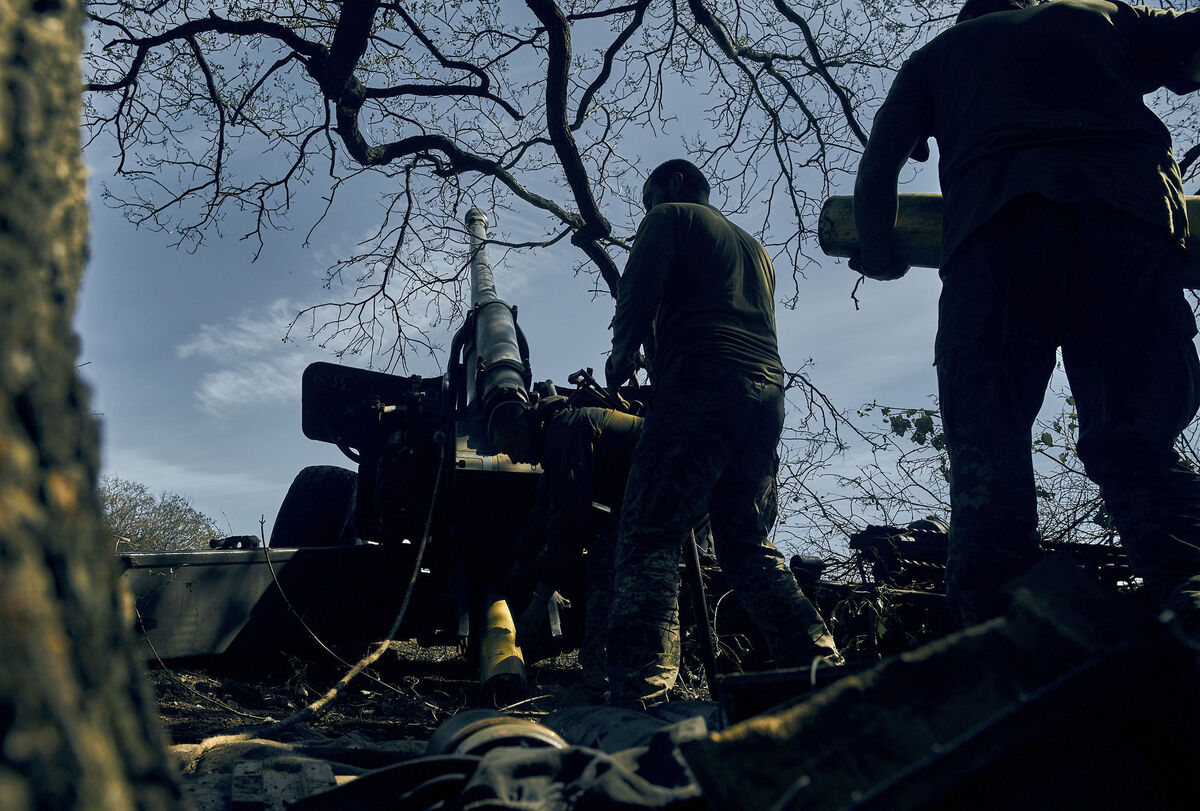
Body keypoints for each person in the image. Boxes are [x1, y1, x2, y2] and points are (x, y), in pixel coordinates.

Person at [852, 0, 1200, 626]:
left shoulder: (934, 58)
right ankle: (1194, 587)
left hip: (997, 236)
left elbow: (879, 165)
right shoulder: (1104, 14)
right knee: (1137, 443)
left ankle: (1003, 635)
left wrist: (880, 252)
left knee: (990, 449)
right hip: (1129, 220)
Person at [605, 158, 841, 707]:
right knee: (748, 545)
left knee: (649, 532)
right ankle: (822, 667)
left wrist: (622, 356)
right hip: (765, 395)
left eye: (650, 196)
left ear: (676, 183)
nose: (648, 210)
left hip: (703, 379)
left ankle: (643, 691)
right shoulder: (757, 250)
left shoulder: (672, 216)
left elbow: (639, 291)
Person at [506, 402, 644, 703]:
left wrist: (540, 598)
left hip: (661, 485)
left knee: (605, 566)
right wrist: (518, 569)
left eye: (510, 446)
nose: (514, 457)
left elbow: (570, 522)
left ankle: (600, 683)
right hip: (647, 493)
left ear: (522, 430)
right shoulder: (558, 437)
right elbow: (541, 517)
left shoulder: (565, 433)